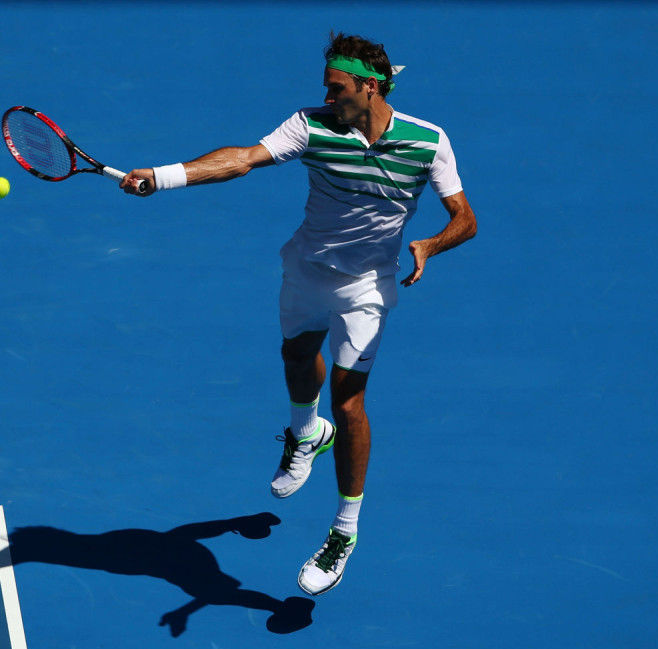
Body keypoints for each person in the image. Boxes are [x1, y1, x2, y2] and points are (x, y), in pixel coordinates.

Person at [120, 32, 477, 596]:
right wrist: (164, 176)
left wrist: (431, 244)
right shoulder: (310, 125)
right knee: (294, 356)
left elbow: (465, 218)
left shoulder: (429, 142)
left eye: (337, 88)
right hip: (308, 269)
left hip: (368, 288)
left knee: (350, 397)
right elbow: (243, 160)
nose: (328, 96)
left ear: (371, 85)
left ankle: (343, 531)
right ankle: (305, 434)